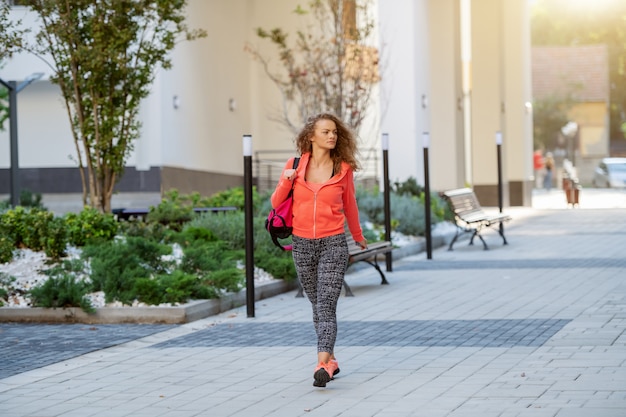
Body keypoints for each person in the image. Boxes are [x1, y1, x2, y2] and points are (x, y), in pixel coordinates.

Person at [270, 113, 367, 388]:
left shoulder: (343, 169)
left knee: (326, 304)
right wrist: (287, 180)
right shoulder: (295, 165)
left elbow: (350, 205)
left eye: (334, 132)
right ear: (311, 136)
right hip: (301, 244)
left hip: (333, 243)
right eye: (325, 132)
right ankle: (332, 359)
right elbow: (276, 202)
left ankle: (322, 363)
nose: (331, 136)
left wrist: (358, 236)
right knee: (316, 303)